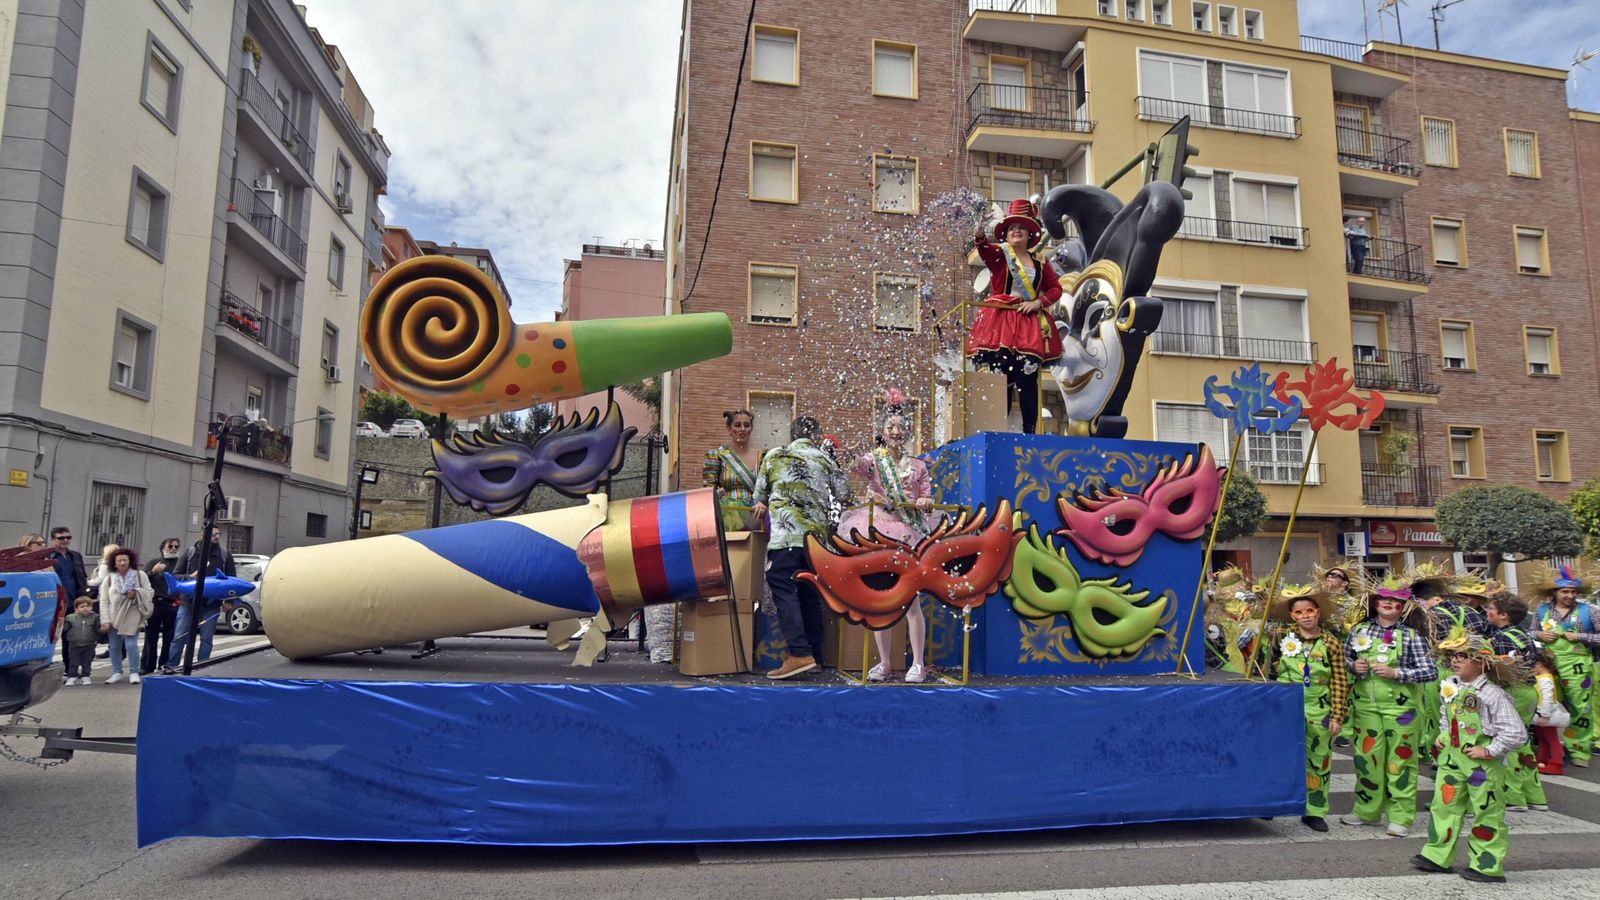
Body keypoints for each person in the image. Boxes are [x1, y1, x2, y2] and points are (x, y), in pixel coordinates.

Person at [1410, 629, 1527, 884]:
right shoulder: (1450, 686)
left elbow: (1516, 733)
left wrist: (1490, 750)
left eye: (1464, 656)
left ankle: (1487, 864)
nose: (1456, 660)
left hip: (1481, 766)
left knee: (1487, 813)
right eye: (1453, 655)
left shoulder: (1492, 694)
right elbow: (1445, 716)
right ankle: (1437, 856)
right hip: (1451, 760)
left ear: (1482, 662)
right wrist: (1442, 738)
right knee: (1444, 807)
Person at [837, 398, 937, 684]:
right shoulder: (873, 460)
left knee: (912, 601)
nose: (895, 431)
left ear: (907, 432)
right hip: (879, 531)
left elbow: (927, 496)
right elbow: (855, 466)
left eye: (900, 427)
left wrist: (924, 500)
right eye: (890, 426)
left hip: (910, 532)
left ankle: (917, 662)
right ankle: (885, 663)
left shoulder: (918, 466)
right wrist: (851, 457)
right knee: (883, 599)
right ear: (882, 430)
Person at [751, 415, 853, 680]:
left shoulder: (774, 455)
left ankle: (799, 653)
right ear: (816, 436)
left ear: (791, 434)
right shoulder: (824, 458)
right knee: (810, 591)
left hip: (785, 537)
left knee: (783, 586)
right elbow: (845, 494)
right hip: (816, 542)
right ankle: (815, 657)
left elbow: (759, 495)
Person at [1341, 573, 1434, 836]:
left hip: (1401, 711)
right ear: (1376, 602)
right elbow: (1345, 662)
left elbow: (1430, 671)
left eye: (1395, 600)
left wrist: (1398, 674)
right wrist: (1353, 666)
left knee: (1400, 763)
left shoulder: (1412, 636)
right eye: (1384, 599)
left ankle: (1400, 817)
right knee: (1366, 760)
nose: (1389, 603)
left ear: (1403, 606)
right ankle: (1366, 811)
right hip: (1365, 708)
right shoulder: (1359, 631)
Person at [966, 198, 1064, 435]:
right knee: (1002, 376)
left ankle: (1029, 433)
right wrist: (979, 232)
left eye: (1021, 227)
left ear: (1030, 232)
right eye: (1011, 228)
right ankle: (1001, 430)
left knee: (1028, 377)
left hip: (1028, 325)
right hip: (1001, 321)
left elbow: (1055, 289)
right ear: (1006, 234)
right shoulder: (1001, 254)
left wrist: (1038, 302)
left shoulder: (1041, 261)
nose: (1016, 231)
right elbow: (985, 250)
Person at [1268, 585, 1349, 832]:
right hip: (1285, 707)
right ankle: (1273, 804)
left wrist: (1337, 715)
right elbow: (1269, 671)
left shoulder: (1332, 643)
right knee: (1279, 757)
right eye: (1299, 612)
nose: (1305, 616)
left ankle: (1314, 811)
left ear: (1318, 613)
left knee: (1318, 761)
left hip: (1319, 710)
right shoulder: (1281, 637)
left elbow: (1340, 681)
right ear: (1293, 615)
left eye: (1310, 611)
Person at [1530, 565, 1597, 767]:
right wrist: (1539, 634)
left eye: (1573, 592)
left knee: (1581, 707)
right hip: (1548, 666)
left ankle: (1579, 750)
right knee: (1545, 704)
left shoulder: (1590, 611)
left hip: (1578, 666)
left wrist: (1580, 636)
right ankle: (1548, 746)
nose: (1569, 595)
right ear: (1555, 592)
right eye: (1565, 591)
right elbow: (1530, 632)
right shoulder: (1542, 610)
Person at [1486, 595, 1547, 811]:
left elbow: (1504, 669)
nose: (1487, 611)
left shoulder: (1501, 638)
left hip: (1512, 691)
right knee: (1523, 743)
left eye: (1491, 608)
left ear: (1503, 615)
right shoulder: (1524, 634)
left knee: (1507, 742)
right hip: (1529, 691)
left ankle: (1513, 796)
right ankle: (1535, 795)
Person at [165, 528, 238, 671]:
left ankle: (202, 667)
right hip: (188, 602)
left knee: (206, 638)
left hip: (211, 603)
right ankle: (171, 666)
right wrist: (190, 577)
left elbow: (232, 579)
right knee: (180, 636)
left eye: (218, 534)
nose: (216, 537)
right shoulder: (190, 552)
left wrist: (229, 601)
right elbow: (176, 575)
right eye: (213, 534)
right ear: (203, 535)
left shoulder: (224, 555)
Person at [701, 409, 765, 532]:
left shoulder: (762, 457)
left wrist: (763, 503)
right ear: (729, 429)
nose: (742, 429)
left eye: (746, 425)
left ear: (751, 429)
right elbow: (708, 492)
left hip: (756, 518)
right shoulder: (717, 456)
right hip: (727, 519)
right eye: (737, 425)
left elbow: (768, 489)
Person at [100, 547, 153, 684]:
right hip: (113, 617)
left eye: (125, 560)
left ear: (130, 561)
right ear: (114, 563)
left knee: (131, 645)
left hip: (132, 615)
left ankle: (134, 672)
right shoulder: (109, 579)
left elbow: (149, 591)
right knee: (114, 646)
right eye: (119, 561)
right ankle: (116, 672)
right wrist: (105, 620)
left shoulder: (140, 575)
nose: (122, 563)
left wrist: (137, 592)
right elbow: (104, 601)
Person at [47, 526, 88, 674]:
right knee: (51, 635)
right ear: (53, 540)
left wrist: (84, 598)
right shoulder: (49, 557)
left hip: (73, 602)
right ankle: (47, 665)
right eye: (61, 538)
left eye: (68, 538)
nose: (65, 540)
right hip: (55, 603)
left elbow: (82, 577)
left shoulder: (75, 556)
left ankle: (69, 667)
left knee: (70, 636)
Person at [141, 538, 181, 675]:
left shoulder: (179, 563)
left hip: (173, 603)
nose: (173, 549)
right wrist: (153, 571)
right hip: (156, 603)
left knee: (170, 637)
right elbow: (142, 579)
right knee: (151, 637)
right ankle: (147, 666)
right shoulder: (154, 562)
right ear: (163, 547)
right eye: (170, 546)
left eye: (176, 546)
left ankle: (165, 664)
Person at [1531, 651, 1569, 776]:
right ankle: (1542, 760)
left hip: (1546, 714)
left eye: (1534, 666)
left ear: (1539, 665)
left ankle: (1556, 763)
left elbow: (1547, 698)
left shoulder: (1545, 679)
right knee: (1543, 739)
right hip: (1541, 713)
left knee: (1552, 739)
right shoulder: (1543, 677)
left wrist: (1545, 715)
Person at [60, 597, 99, 686]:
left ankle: (86, 676)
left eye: (88, 606)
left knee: (87, 661)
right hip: (74, 644)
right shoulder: (70, 618)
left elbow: (97, 629)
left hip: (89, 643)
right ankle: (72, 676)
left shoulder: (95, 617)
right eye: (82, 606)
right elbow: (65, 628)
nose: (85, 608)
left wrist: (101, 631)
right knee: (73, 661)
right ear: (76, 609)